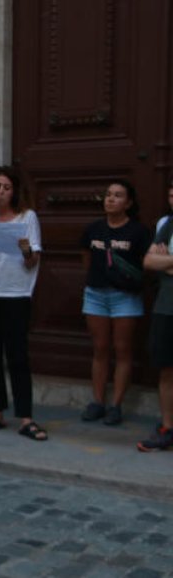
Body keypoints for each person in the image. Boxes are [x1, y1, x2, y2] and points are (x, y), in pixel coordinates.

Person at [0, 167, 46, 440]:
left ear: (14, 192)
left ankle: (26, 417)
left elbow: (32, 260)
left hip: (16, 294)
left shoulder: (27, 217)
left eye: (6, 187)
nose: (1, 192)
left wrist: (25, 247)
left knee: (18, 357)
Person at [80, 179, 150, 426]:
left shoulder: (138, 232)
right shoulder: (93, 229)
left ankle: (116, 405)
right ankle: (97, 401)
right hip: (96, 294)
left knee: (122, 350)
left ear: (128, 202)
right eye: (108, 194)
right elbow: (86, 259)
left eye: (118, 195)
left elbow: (146, 264)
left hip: (125, 296)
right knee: (100, 349)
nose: (110, 199)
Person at [140, 179, 173, 451]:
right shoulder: (166, 225)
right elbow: (149, 261)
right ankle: (167, 427)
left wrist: (168, 262)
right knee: (166, 370)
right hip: (166, 306)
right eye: (171, 193)